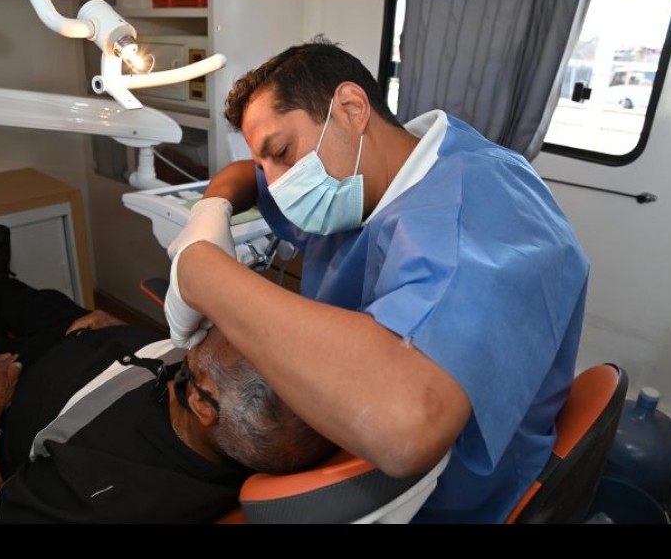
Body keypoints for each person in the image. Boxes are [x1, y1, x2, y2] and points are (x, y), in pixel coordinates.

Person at [164, 37, 590, 523]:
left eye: (281, 151)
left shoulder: (468, 219)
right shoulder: (372, 175)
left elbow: (407, 429)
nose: (276, 185)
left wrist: (203, 273)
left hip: (444, 496)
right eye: (268, 163)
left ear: (351, 108)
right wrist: (211, 209)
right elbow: (245, 174)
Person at [0, 225, 334, 524]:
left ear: (200, 402)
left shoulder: (100, 490)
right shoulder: (245, 405)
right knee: (41, 303)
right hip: (96, 337)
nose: (207, 327)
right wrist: (129, 336)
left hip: (11, 381)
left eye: (210, 333)